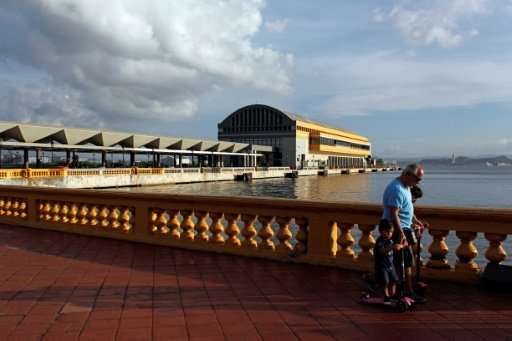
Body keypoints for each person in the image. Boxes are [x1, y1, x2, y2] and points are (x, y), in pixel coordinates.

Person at [382, 164, 425, 302]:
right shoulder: (397, 189)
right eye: (417, 179)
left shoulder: (406, 187)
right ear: (407, 174)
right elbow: (394, 214)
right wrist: (401, 234)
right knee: (402, 261)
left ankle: (406, 288)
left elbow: (407, 208)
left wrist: (416, 220)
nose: (418, 182)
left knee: (406, 261)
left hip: (404, 228)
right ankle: (406, 290)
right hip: (397, 229)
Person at [374, 219, 405, 304]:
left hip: (390, 265)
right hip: (382, 265)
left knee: (394, 280)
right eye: (386, 231)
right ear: (380, 231)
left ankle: (392, 295)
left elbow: (397, 246)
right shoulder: (380, 241)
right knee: (385, 282)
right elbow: (381, 251)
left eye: (391, 232)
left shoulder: (390, 240)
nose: (389, 234)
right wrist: (392, 247)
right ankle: (386, 296)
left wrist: (402, 245)